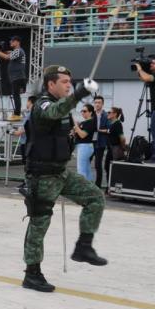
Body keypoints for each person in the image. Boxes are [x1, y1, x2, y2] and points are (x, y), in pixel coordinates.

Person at [21, 65, 107, 293]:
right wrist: (79, 93)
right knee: (40, 223)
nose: (68, 84)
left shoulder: (64, 108)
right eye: (64, 81)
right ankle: (32, 273)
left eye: (71, 81)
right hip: (42, 175)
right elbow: (52, 112)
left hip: (61, 172)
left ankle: (84, 246)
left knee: (95, 197)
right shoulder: (43, 104)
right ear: (51, 84)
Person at [0, 36, 27, 121]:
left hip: (17, 77)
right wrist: (5, 51)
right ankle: (16, 114)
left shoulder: (18, 51)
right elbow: (9, 54)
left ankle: (17, 114)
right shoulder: (17, 51)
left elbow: (7, 57)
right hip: (17, 77)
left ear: (17, 42)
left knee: (16, 96)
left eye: (12, 41)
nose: (10, 42)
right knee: (16, 95)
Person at [72, 104, 96, 182]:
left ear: (90, 112)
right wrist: (74, 131)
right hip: (84, 146)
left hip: (85, 146)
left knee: (81, 170)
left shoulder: (90, 122)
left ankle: (83, 189)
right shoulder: (84, 122)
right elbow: (79, 133)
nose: (82, 113)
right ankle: (90, 187)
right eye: (82, 111)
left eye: (85, 111)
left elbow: (83, 135)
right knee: (86, 169)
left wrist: (76, 126)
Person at [91, 95, 110, 187]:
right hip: (90, 142)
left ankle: (98, 185)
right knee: (86, 161)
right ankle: (87, 182)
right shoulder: (91, 114)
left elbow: (108, 129)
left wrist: (99, 130)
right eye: (96, 102)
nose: (97, 104)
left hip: (100, 142)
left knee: (98, 164)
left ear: (102, 104)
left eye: (99, 103)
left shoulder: (106, 115)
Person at [105, 107, 126, 176]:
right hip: (111, 149)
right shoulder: (112, 124)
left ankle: (111, 185)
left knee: (111, 169)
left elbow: (122, 138)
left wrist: (123, 149)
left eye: (109, 112)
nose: (107, 114)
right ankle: (109, 185)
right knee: (107, 168)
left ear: (115, 114)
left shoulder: (117, 124)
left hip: (115, 150)